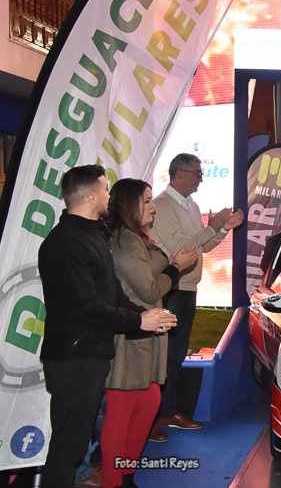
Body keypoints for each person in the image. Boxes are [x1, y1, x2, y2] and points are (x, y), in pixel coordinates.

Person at [38, 165, 176, 488]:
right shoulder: (65, 243)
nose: (108, 196)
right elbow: (87, 307)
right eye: (104, 189)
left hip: (91, 355)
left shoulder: (94, 235)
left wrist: (147, 320)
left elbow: (113, 295)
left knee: (74, 447)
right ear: (90, 197)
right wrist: (139, 320)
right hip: (73, 359)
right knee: (68, 449)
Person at [101, 179, 197, 487]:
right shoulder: (125, 240)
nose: (153, 206)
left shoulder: (140, 237)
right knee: (122, 412)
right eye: (146, 200)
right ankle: (114, 480)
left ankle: (126, 474)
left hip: (150, 334)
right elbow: (149, 289)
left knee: (147, 405)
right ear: (129, 204)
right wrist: (175, 267)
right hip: (130, 337)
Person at [151, 154, 244, 431]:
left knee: (177, 353)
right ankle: (162, 412)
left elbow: (202, 247)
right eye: (197, 174)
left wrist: (223, 229)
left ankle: (168, 410)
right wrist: (213, 227)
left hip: (187, 288)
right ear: (178, 174)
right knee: (168, 354)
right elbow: (180, 246)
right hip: (171, 288)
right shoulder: (162, 205)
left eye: (201, 174)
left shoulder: (191, 205)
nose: (201, 179)